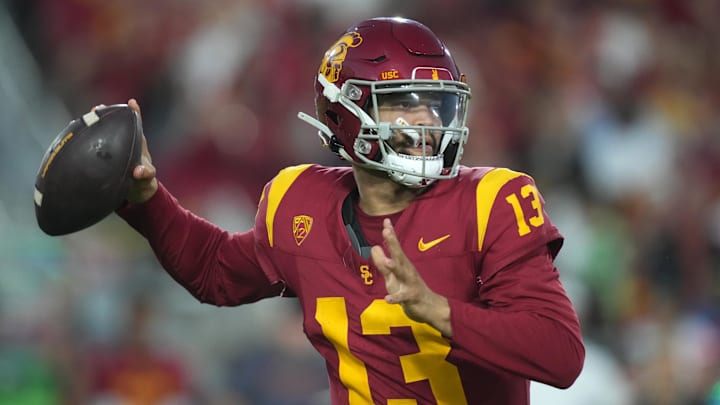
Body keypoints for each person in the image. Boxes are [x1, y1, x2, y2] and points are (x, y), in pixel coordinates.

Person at [115, 16, 585, 405]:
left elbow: (561, 355)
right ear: (345, 114)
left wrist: (436, 310)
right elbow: (215, 272)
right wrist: (148, 202)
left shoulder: (492, 201)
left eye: (437, 105)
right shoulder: (299, 202)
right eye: (404, 103)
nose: (426, 121)